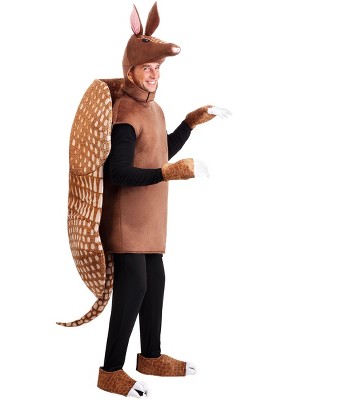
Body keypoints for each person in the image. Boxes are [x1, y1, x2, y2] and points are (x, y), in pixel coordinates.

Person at [96, 4, 231, 397]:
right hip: (127, 219)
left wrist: (189, 123)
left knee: (154, 283)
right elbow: (119, 172)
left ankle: (150, 356)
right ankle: (110, 370)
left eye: (158, 68)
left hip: (151, 218)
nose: (154, 75)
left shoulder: (153, 109)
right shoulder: (124, 112)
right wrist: (169, 174)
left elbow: (159, 153)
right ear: (131, 71)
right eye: (147, 68)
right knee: (133, 287)